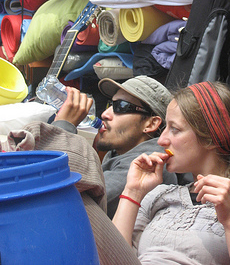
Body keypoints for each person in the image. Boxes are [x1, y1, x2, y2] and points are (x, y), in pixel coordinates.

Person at [111, 81, 230, 265]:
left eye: (174, 129)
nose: (161, 140)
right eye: (164, 128)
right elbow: (110, 258)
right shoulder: (158, 194)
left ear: (211, 138)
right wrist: (133, 191)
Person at [53, 75, 179, 218]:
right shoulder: (120, 153)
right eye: (110, 105)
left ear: (150, 124)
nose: (105, 114)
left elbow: (67, 206)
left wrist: (63, 127)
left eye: (121, 106)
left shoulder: (149, 165)